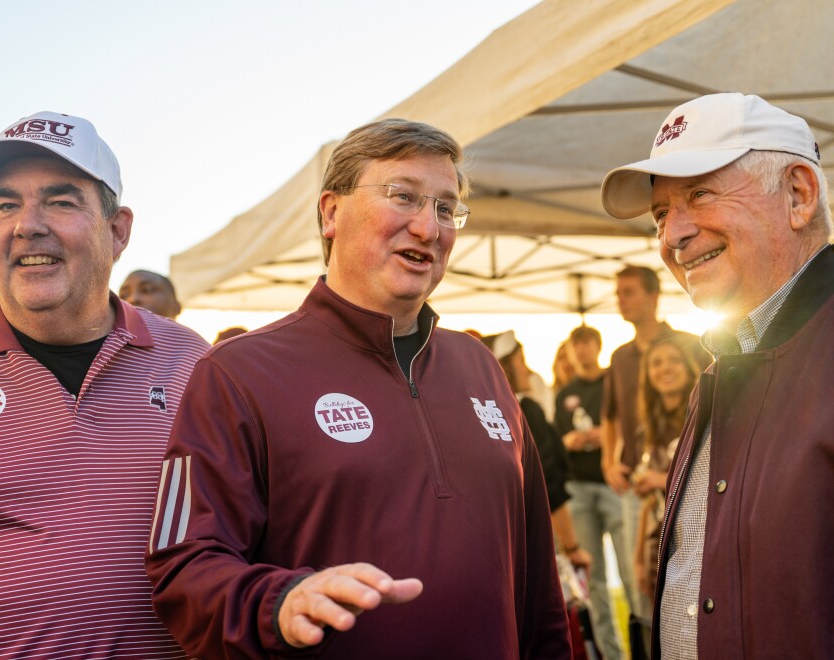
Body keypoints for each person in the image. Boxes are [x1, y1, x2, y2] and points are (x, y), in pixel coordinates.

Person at [145, 118, 571, 658]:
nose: (428, 228)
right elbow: (182, 567)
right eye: (403, 197)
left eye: (446, 208)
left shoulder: (480, 364)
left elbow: (537, 581)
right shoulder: (236, 372)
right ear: (331, 212)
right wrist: (278, 602)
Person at [0, 111, 209, 658]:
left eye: (61, 201)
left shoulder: (191, 361)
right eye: (5, 204)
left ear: (118, 232)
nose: (27, 224)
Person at [601, 92, 834, 659]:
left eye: (699, 194)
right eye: (660, 215)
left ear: (799, 195)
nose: (671, 236)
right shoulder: (724, 363)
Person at [598, 265, 708, 626]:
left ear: (653, 296)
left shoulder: (690, 344)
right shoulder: (619, 357)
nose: (621, 300)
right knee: (641, 577)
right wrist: (609, 463)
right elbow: (610, 417)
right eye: (618, 293)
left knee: (690, 571)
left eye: (628, 292)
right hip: (637, 488)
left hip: (687, 480)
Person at [483, 330, 592, 573]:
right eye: (521, 362)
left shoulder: (487, 414)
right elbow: (546, 483)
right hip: (538, 538)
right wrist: (573, 547)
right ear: (505, 368)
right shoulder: (526, 410)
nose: (527, 370)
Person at [555, 325, 629, 660]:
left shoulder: (613, 381)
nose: (581, 350)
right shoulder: (564, 392)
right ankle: (610, 654)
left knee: (632, 571)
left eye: (586, 344)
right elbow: (557, 441)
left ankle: (646, 645)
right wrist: (570, 440)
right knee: (594, 581)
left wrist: (606, 436)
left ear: (597, 346)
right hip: (579, 490)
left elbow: (627, 423)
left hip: (613, 486)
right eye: (576, 345)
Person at [630, 336, 701, 651]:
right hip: (657, 539)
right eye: (656, 363)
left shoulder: (703, 416)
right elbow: (648, 502)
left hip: (694, 542)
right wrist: (638, 556)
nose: (665, 369)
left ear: (688, 367)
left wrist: (660, 478)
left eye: (673, 359)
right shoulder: (647, 429)